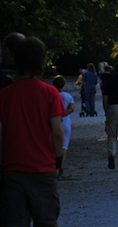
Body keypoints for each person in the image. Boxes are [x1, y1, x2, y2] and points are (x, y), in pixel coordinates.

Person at [0, 36, 65, 226]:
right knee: (46, 220)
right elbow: (58, 132)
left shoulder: (5, 95)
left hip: (13, 169)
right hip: (42, 168)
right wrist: (58, 161)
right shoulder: (50, 92)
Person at [52, 75, 75, 174]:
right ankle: (61, 165)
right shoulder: (68, 96)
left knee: (53, 144)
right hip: (65, 121)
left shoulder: (52, 95)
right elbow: (71, 108)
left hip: (54, 121)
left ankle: (53, 165)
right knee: (64, 145)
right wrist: (63, 113)